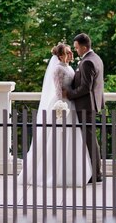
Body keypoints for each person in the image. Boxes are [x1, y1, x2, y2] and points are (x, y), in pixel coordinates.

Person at [20, 43, 92, 187]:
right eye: (67, 52)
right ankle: (54, 173)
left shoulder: (69, 67)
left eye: (71, 51)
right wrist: (61, 106)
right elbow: (58, 90)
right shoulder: (58, 69)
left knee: (72, 138)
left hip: (70, 104)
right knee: (57, 138)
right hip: (61, 105)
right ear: (60, 56)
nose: (71, 54)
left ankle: (71, 172)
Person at [64, 33, 105, 183]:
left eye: (76, 48)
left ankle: (96, 174)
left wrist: (69, 94)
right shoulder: (97, 58)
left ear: (84, 47)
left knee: (90, 140)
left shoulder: (87, 62)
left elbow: (85, 88)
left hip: (86, 106)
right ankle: (94, 171)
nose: (75, 51)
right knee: (90, 139)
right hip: (92, 105)